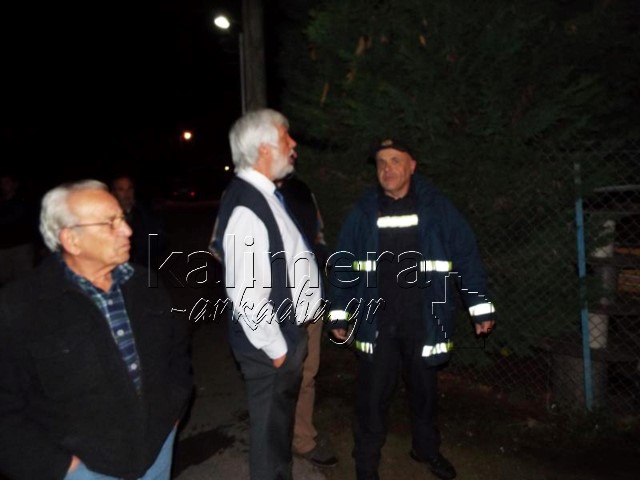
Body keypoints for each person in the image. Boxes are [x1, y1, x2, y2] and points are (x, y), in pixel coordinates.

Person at [0, 179, 193, 480]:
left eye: (122, 219)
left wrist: (172, 414)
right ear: (71, 240)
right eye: (109, 223)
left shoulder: (144, 285)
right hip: (85, 470)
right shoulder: (21, 307)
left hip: (157, 450)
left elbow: (177, 352)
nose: (127, 230)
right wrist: (58, 467)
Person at [328, 139, 496, 480]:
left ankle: (426, 450)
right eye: (381, 162)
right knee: (372, 398)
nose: (387, 168)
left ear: (412, 166)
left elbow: (466, 256)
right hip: (377, 322)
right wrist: (339, 311)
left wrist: (480, 307)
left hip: (424, 321)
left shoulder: (437, 209)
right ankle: (366, 464)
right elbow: (343, 263)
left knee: (425, 394)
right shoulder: (364, 212)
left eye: (395, 160)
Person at [209, 109, 325, 480]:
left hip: (284, 336)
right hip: (273, 345)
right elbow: (246, 293)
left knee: (276, 436)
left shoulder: (264, 195)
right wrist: (278, 350)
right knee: (269, 441)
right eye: (285, 136)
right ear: (263, 148)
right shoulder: (249, 205)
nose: (293, 144)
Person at [275, 172, 338, 468]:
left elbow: (318, 234)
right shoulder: (248, 191)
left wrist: (318, 256)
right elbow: (222, 247)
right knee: (274, 374)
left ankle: (302, 439)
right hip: (273, 304)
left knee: (307, 372)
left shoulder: (302, 190)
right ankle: (273, 439)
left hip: (310, 299)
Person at [110, 173, 164, 267]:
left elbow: (158, 241)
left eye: (130, 188)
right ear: (113, 192)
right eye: (121, 189)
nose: (127, 194)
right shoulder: (106, 217)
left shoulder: (146, 214)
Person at [0, 174, 37, 286]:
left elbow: (29, 221)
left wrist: (39, 245)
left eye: (6, 182)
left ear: (14, 185)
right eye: (2, 183)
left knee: (24, 279)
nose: (3, 186)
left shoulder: (23, 201)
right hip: (3, 248)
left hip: (21, 247)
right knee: (4, 280)